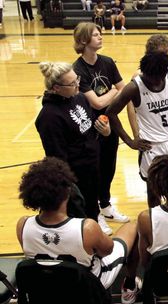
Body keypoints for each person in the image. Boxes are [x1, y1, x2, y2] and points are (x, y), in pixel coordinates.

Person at [16, 157, 141, 304]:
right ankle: (130, 286)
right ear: (68, 191)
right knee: (133, 226)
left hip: (45, 288)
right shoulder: (87, 228)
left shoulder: (22, 225)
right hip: (89, 287)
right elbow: (107, 250)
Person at [106, 52, 168, 208]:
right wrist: (129, 141)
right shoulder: (134, 87)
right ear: (145, 72)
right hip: (151, 147)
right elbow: (111, 112)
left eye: (159, 76)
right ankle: (155, 223)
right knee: (153, 192)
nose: (156, 80)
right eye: (153, 76)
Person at [35, 62, 110, 224]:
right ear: (56, 88)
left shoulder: (80, 98)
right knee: (79, 217)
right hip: (75, 178)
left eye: (77, 79)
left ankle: (95, 218)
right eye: (72, 83)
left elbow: (89, 130)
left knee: (92, 206)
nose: (78, 85)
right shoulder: (49, 117)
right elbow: (57, 159)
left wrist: (104, 131)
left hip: (91, 167)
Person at [73, 22, 129, 234]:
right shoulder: (78, 69)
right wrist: (113, 92)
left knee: (109, 167)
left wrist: (113, 93)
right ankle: (94, 213)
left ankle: (105, 205)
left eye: (100, 34)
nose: (101, 37)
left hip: (110, 122)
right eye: (96, 35)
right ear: (84, 40)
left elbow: (123, 89)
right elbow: (95, 103)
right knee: (93, 172)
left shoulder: (107, 62)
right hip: (91, 128)